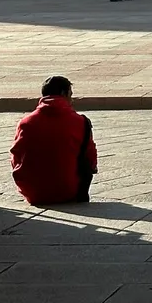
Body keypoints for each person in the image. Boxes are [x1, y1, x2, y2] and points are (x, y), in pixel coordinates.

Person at [10, 76, 98, 206]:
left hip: (33, 193)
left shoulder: (25, 123)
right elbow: (91, 159)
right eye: (70, 95)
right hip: (68, 191)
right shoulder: (80, 122)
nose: (71, 100)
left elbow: (15, 156)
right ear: (64, 94)